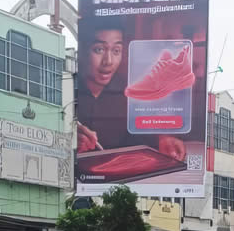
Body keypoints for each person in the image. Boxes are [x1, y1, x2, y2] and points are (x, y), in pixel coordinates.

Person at [75, 25, 187, 161]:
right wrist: (69, 141)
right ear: (82, 51)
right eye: (99, 49)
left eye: (116, 51)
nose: (108, 61)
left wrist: (162, 139)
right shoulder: (66, 89)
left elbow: (140, 133)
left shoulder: (129, 92)